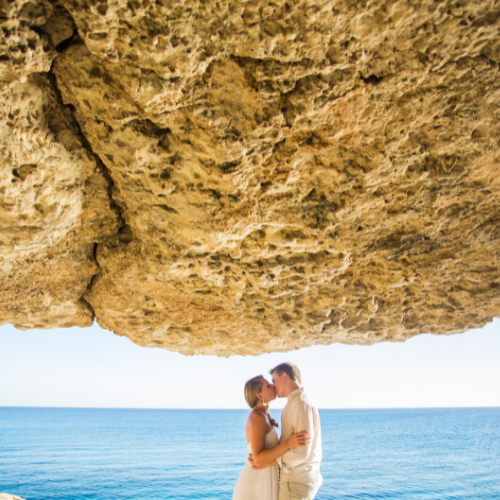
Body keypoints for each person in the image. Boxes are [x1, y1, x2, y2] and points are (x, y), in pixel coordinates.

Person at [251, 363, 322, 500]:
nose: (273, 386)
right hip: (294, 481)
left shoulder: (301, 402)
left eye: (274, 381)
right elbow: (291, 442)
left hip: (296, 482)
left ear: (284, 376)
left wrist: (267, 462)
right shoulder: (294, 403)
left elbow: (301, 452)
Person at [232, 375, 311, 500]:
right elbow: (258, 459)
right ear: (259, 396)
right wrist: (287, 444)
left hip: (263, 479)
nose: (273, 385)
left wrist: (282, 441)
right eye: (268, 385)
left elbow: (268, 448)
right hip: (255, 483)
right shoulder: (257, 417)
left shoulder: (263, 416)